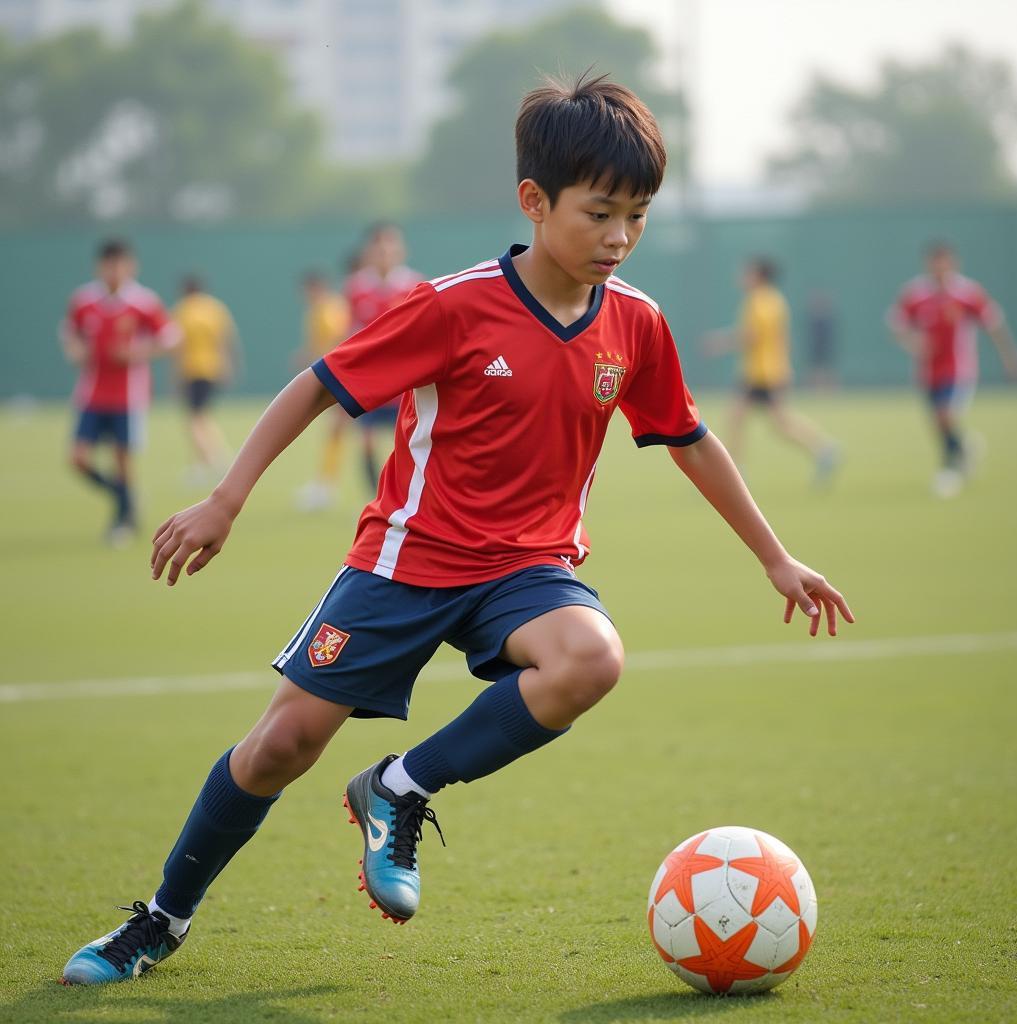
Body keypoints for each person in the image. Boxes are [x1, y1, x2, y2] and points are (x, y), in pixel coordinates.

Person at [61, 74, 853, 985]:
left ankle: (399, 788)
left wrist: (776, 557)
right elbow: (321, 381)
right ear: (534, 201)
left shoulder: (636, 322)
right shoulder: (456, 305)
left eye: (638, 216)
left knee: (591, 656)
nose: (620, 237)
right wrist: (227, 498)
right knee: (281, 747)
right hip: (406, 562)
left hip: (528, 570)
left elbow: (688, 437)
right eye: (600, 214)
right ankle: (160, 919)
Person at [61, 238, 178, 546]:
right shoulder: (84, 300)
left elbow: (170, 338)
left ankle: (123, 518)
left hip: (127, 395)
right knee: (78, 458)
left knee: (122, 460)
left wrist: (138, 351)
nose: (114, 270)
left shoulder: (143, 302)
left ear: (131, 266)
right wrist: (75, 350)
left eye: (120, 264)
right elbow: (69, 332)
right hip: (91, 393)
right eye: (109, 264)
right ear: (100, 266)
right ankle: (126, 498)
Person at [889, 241, 1017, 498]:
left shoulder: (967, 292)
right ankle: (965, 447)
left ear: (953, 263)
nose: (939, 268)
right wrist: (913, 342)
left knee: (945, 415)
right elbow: (896, 325)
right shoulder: (916, 293)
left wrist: (1010, 357)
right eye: (934, 263)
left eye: (944, 262)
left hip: (959, 368)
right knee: (938, 423)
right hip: (928, 371)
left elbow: (994, 324)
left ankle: (949, 470)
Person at [704, 258, 839, 484]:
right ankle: (823, 450)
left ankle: (823, 450)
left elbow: (751, 336)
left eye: (747, 272)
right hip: (768, 371)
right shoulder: (775, 300)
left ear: (759, 276)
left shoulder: (759, 301)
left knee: (758, 421)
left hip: (762, 374)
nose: (742, 276)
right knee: (756, 420)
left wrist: (720, 342)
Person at [343, 223, 423, 489]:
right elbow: (351, 331)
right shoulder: (357, 288)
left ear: (401, 250)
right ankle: (373, 495)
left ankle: (404, 491)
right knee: (365, 439)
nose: (385, 252)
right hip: (369, 380)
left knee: (404, 440)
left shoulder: (414, 285)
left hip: (403, 382)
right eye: (378, 247)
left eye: (390, 245)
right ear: (368, 252)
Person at [294, 271, 351, 510]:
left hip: (341, 375)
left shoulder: (328, 309)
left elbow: (341, 338)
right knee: (336, 430)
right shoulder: (319, 310)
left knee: (338, 429)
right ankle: (325, 484)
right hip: (335, 374)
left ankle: (325, 487)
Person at [173, 275, 239, 484]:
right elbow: (227, 338)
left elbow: (177, 345)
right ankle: (205, 463)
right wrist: (229, 365)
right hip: (213, 367)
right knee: (202, 416)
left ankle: (215, 461)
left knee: (194, 419)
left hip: (192, 369)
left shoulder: (182, 310)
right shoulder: (215, 309)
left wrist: (175, 375)